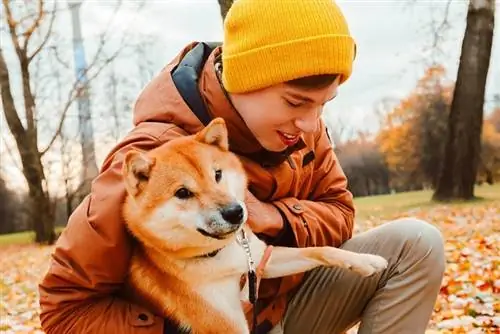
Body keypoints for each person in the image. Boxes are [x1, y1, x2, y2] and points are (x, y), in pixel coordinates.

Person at [38, 0, 445, 333]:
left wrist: (272, 217)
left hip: (288, 306)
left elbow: (341, 214)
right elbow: (63, 310)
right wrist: (182, 323)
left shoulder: (306, 131)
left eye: (325, 103)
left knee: (416, 243)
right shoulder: (155, 160)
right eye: (296, 101)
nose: (310, 123)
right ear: (243, 79)